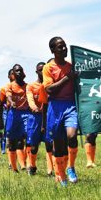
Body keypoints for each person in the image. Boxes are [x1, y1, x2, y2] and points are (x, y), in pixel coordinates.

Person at [42, 37, 79, 186]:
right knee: (58, 143)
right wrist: (67, 78)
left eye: (64, 46)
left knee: (72, 135)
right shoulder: (48, 68)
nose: (64, 49)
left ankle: (71, 167)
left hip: (70, 105)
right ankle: (61, 176)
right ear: (52, 50)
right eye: (59, 47)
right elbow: (49, 89)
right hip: (55, 107)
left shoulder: (71, 66)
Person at [26, 62, 53, 176]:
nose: (42, 72)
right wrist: (35, 108)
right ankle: (32, 166)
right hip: (35, 118)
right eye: (40, 70)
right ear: (36, 71)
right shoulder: (31, 86)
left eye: (44, 69)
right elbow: (30, 99)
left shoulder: (50, 85)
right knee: (34, 145)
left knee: (49, 144)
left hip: (48, 116)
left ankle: (50, 170)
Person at [5, 64, 30, 173]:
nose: (19, 72)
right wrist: (11, 102)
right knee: (12, 141)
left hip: (26, 113)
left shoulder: (28, 86)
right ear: (13, 74)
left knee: (28, 137)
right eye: (16, 71)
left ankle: (28, 164)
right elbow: (8, 96)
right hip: (13, 113)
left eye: (20, 70)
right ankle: (14, 168)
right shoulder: (9, 86)